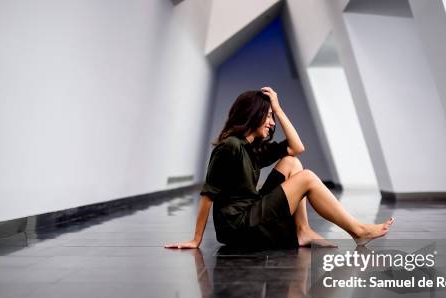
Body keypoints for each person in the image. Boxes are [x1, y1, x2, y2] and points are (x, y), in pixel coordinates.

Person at [165, 87, 393, 249]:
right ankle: (357, 230)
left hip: (250, 210)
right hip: (238, 226)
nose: (272, 122)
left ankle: (303, 231)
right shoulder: (229, 147)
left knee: (292, 163)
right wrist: (196, 240)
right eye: (268, 116)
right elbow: (208, 194)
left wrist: (278, 108)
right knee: (307, 178)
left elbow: (297, 147)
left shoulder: (252, 147)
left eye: (272, 117)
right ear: (252, 114)